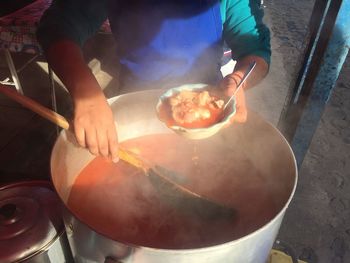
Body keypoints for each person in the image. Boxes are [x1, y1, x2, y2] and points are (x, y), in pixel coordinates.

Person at [37, 0, 271, 162]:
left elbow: (256, 48)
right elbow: (58, 26)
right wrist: (86, 93)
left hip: (210, 113)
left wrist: (239, 79)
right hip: (134, 104)